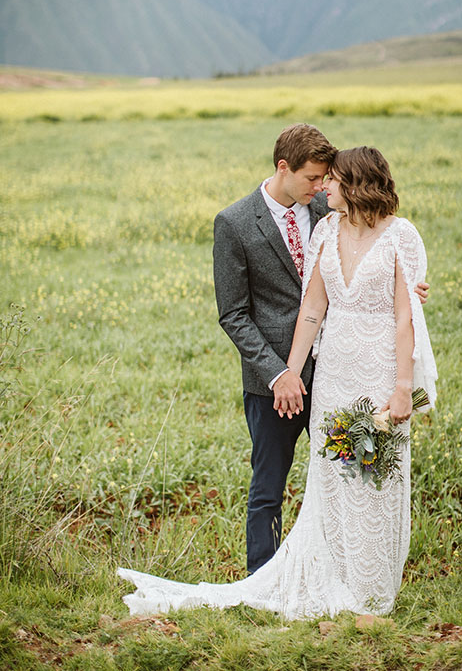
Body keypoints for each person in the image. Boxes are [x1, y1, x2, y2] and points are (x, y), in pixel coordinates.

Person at [118, 144, 437, 619]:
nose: (322, 187)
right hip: (321, 375)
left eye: (330, 179)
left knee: (373, 475)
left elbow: (403, 311)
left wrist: (403, 379)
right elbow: (303, 309)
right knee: (316, 481)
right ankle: (299, 578)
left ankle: (370, 586)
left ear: (353, 186)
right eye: (316, 178)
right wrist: (285, 372)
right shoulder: (288, 225)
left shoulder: (386, 231)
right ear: (285, 168)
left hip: (377, 369)